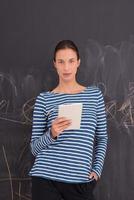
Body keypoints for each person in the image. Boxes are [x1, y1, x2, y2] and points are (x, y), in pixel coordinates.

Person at [29, 40, 108, 200]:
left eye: (71, 61)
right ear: (55, 64)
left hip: (81, 182)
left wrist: (97, 170)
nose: (66, 67)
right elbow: (34, 148)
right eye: (61, 62)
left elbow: (102, 137)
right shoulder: (44, 99)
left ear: (78, 62)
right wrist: (52, 133)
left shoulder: (94, 96)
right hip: (45, 178)